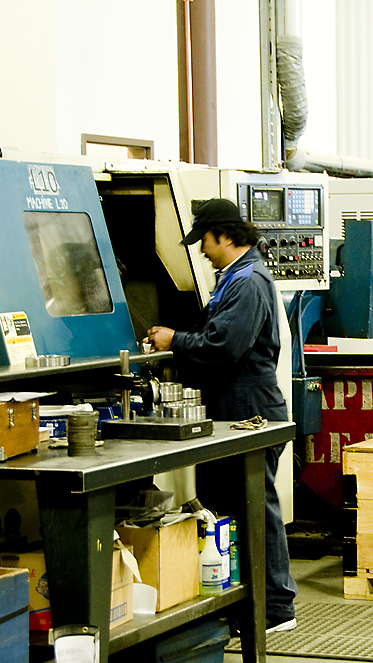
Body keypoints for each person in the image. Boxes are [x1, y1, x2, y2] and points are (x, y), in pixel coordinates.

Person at [145, 198, 298, 633]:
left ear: (226, 237)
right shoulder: (232, 278)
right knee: (229, 505)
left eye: (206, 242)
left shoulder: (247, 282)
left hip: (249, 409)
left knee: (254, 506)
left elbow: (224, 346)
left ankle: (273, 609)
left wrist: (175, 340)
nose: (202, 251)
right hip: (232, 407)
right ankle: (241, 601)